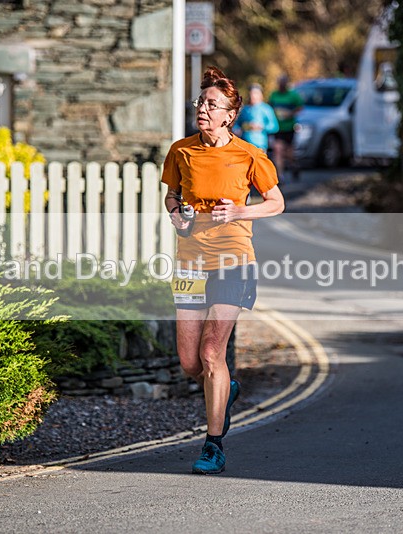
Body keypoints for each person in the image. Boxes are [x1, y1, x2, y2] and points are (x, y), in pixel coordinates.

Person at [162, 66, 284, 475]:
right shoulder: (181, 151)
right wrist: (177, 214)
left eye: (211, 104)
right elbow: (171, 196)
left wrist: (240, 211)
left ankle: (213, 445)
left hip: (234, 258)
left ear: (230, 115)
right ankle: (225, 387)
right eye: (201, 102)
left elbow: (276, 201)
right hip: (190, 261)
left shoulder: (250, 155)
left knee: (214, 352)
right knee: (190, 362)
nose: (202, 109)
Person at [268, 74, 304, 180]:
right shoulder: (274, 95)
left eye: (283, 83)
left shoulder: (293, 95)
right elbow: (269, 107)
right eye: (280, 83)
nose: (281, 85)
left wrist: (290, 113)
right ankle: (280, 176)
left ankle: (294, 166)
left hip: (289, 127)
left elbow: (300, 107)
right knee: (278, 150)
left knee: (289, 153)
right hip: (277, 128)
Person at [235, 83, 279, 152]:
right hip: (245, 144)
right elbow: (236, 124)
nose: (253, 96)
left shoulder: (266, 109)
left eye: (255, 93)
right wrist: (237, 130)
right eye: (251, 94)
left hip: (260, 145)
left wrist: (262, 127)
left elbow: (274, 126)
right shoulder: (245, 109)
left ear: (261, 95)